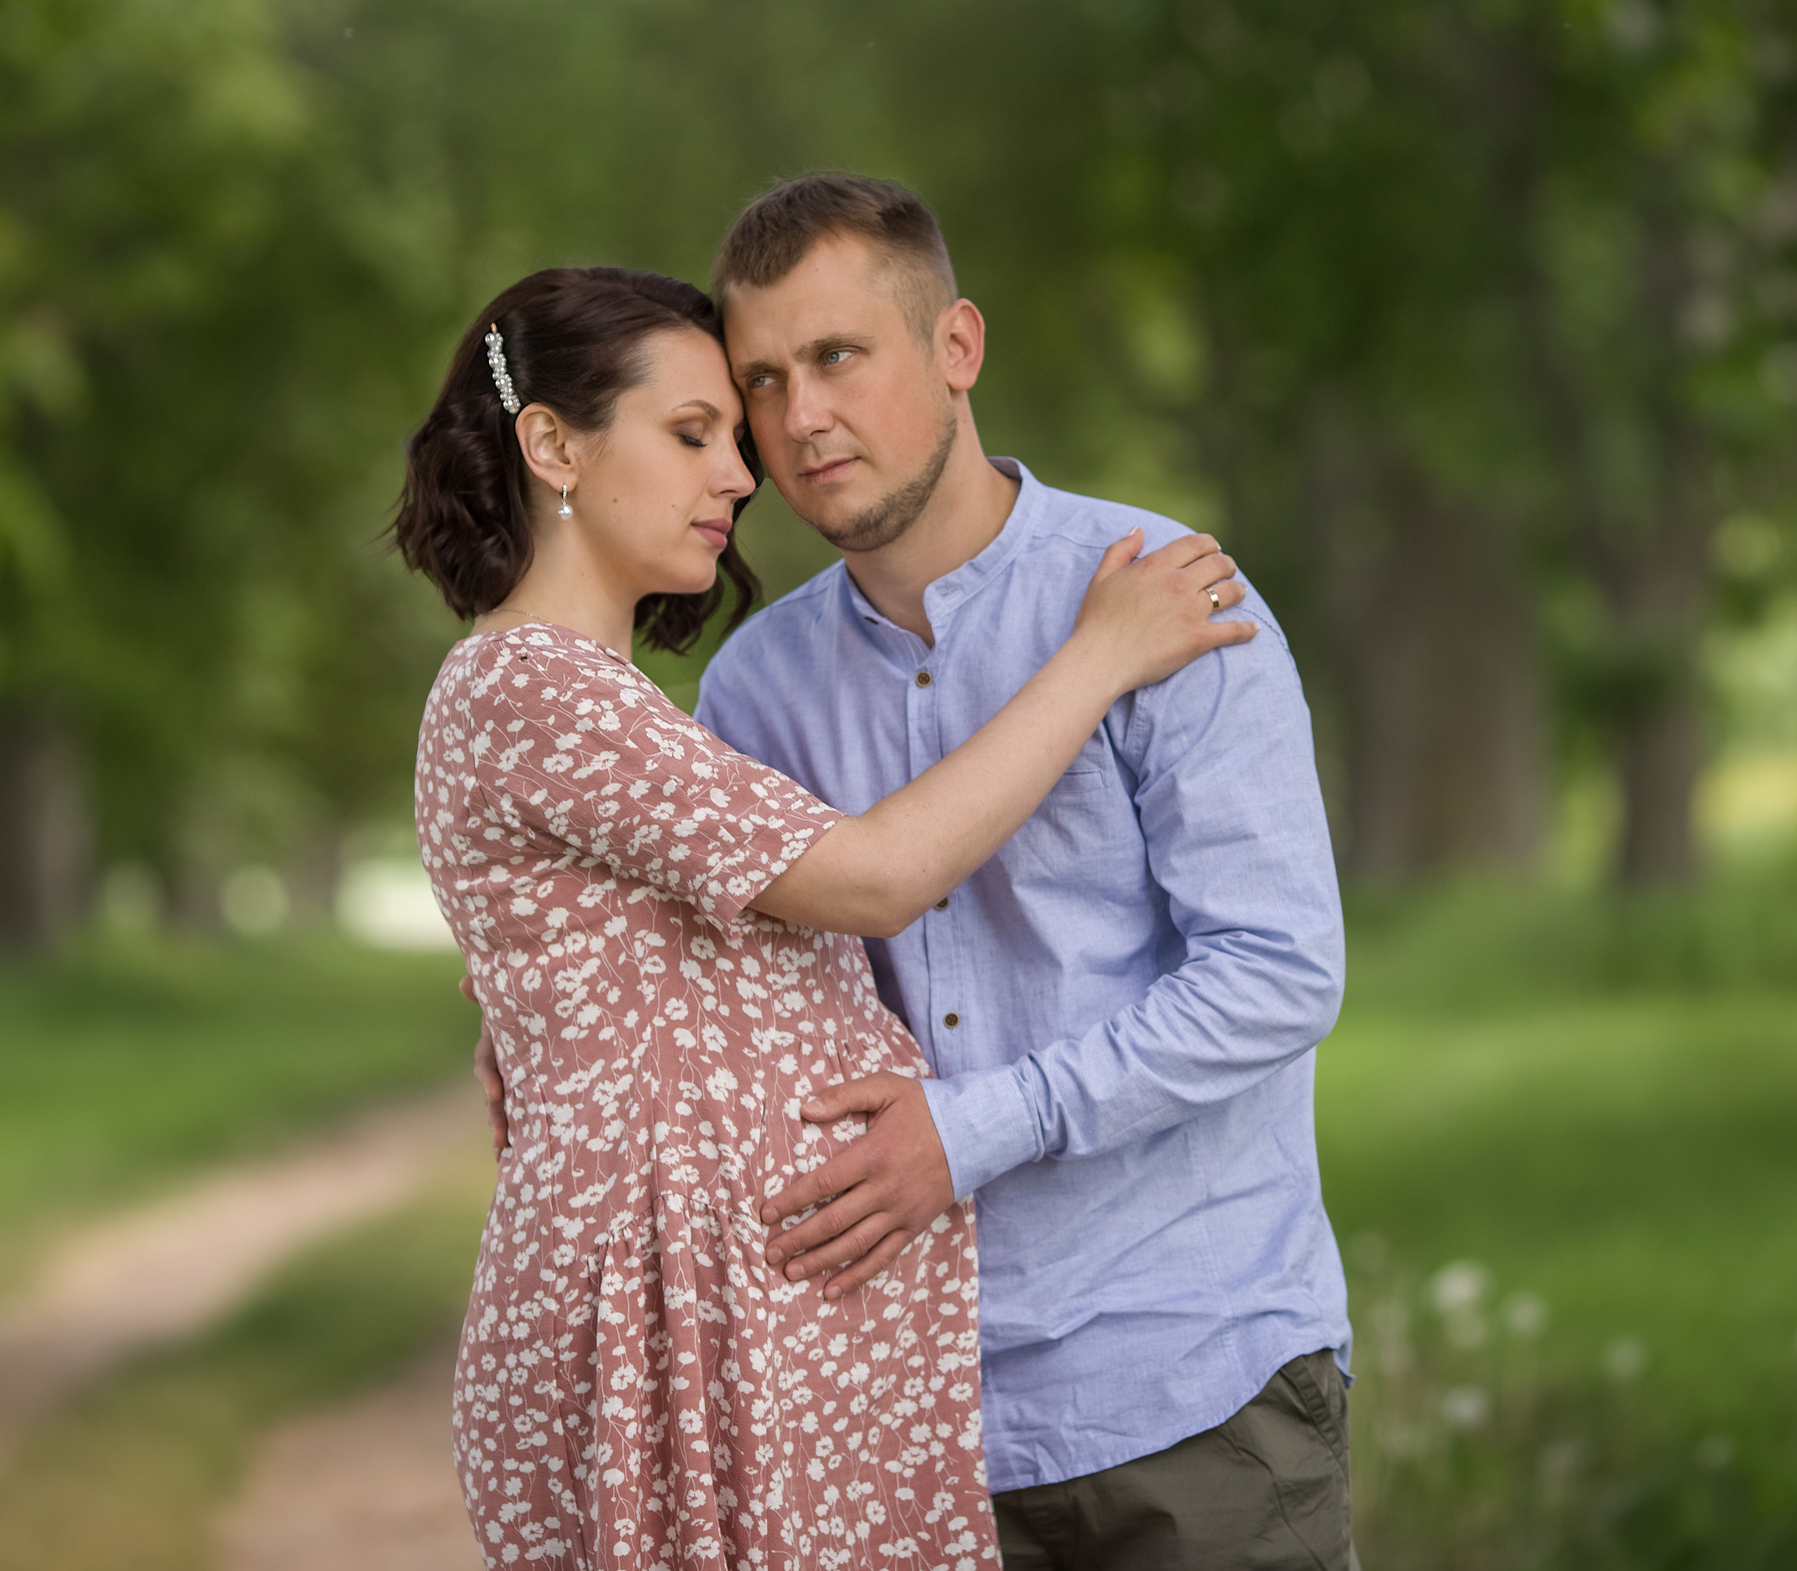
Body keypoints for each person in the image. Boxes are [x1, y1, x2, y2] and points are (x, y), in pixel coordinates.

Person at [483, 177, 1358, 1568]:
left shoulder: (1168, 603)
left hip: (1189, 1381)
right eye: (759, 381)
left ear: (957, 348)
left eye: (838, 357)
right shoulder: (757, 689)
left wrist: (974, 1129)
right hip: (891, 1418)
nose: (799, 419)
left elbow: (1278, 976)